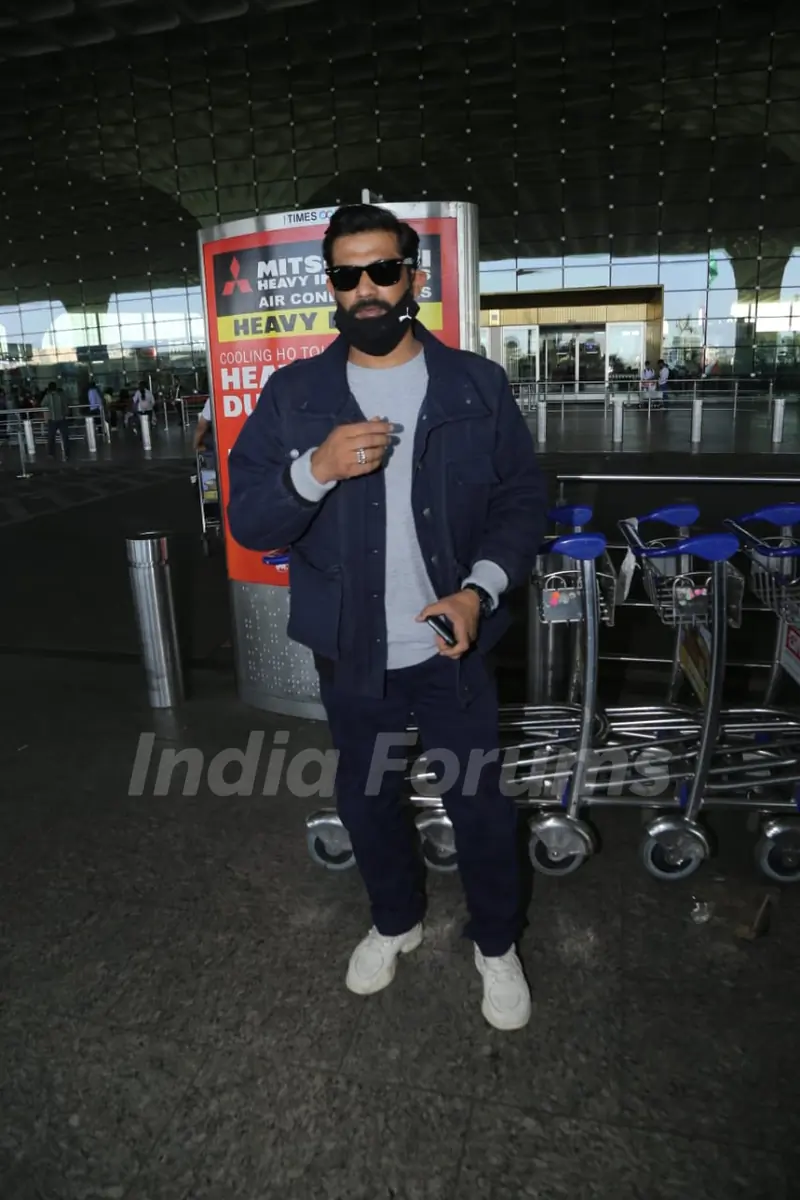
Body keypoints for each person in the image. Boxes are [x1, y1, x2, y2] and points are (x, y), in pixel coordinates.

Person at [228, 203, 548, 1030]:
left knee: (478, 804)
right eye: (346, 274)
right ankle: (396, 923)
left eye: (382, 270)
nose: (365, 289)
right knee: (368, 800)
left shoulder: (474, 383)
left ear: (414, 276)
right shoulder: (295, 394)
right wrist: (316, 469)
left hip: (455, 648)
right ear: (331, 285)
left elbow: (521, 499)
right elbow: (252, 519)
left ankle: (496, 942)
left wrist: (477, 589)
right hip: (352, 652)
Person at [45, 381, 70, 461]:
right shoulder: (61, 395)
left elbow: (42, 403)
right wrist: (66, 413)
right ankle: (67, 454)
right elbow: (66, 404)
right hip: (62, 419)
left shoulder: (48, 396)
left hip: (52, 419)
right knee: (65, 437)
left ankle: (51, 453)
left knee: (51, 437)